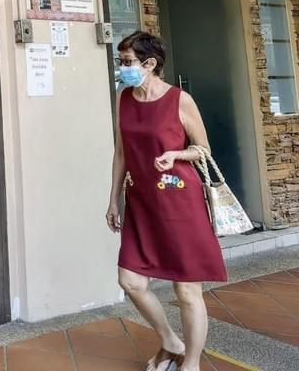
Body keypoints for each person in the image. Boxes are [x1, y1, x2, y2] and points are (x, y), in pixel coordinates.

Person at [106, 31, 226, 371]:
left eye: (127, 62)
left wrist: (175, 154)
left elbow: (203, 150)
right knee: (130, 280)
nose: (122, 68)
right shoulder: (124, 99)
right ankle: (170, 341)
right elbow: (120, 153)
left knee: (187, 291)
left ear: (150, 64)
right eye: (121, 61)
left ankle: (190, 363)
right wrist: (114, 199)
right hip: (141, 203)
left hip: (180, 203)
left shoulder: (179, 100)